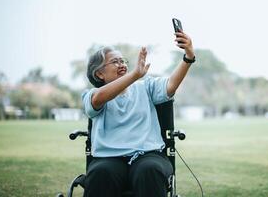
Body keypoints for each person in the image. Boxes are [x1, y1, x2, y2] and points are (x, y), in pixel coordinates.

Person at [81, 30, 196, 197]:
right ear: (99, 73)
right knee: (101, 173)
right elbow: (97, 99)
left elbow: (171, 84)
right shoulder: (92, 95)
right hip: (108, 157)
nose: (121, 64)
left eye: (122, 61)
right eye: (115, 62)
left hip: (148, 154)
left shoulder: (146, 87)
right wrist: (135, 75)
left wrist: (188, 57)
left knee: (148, 170)